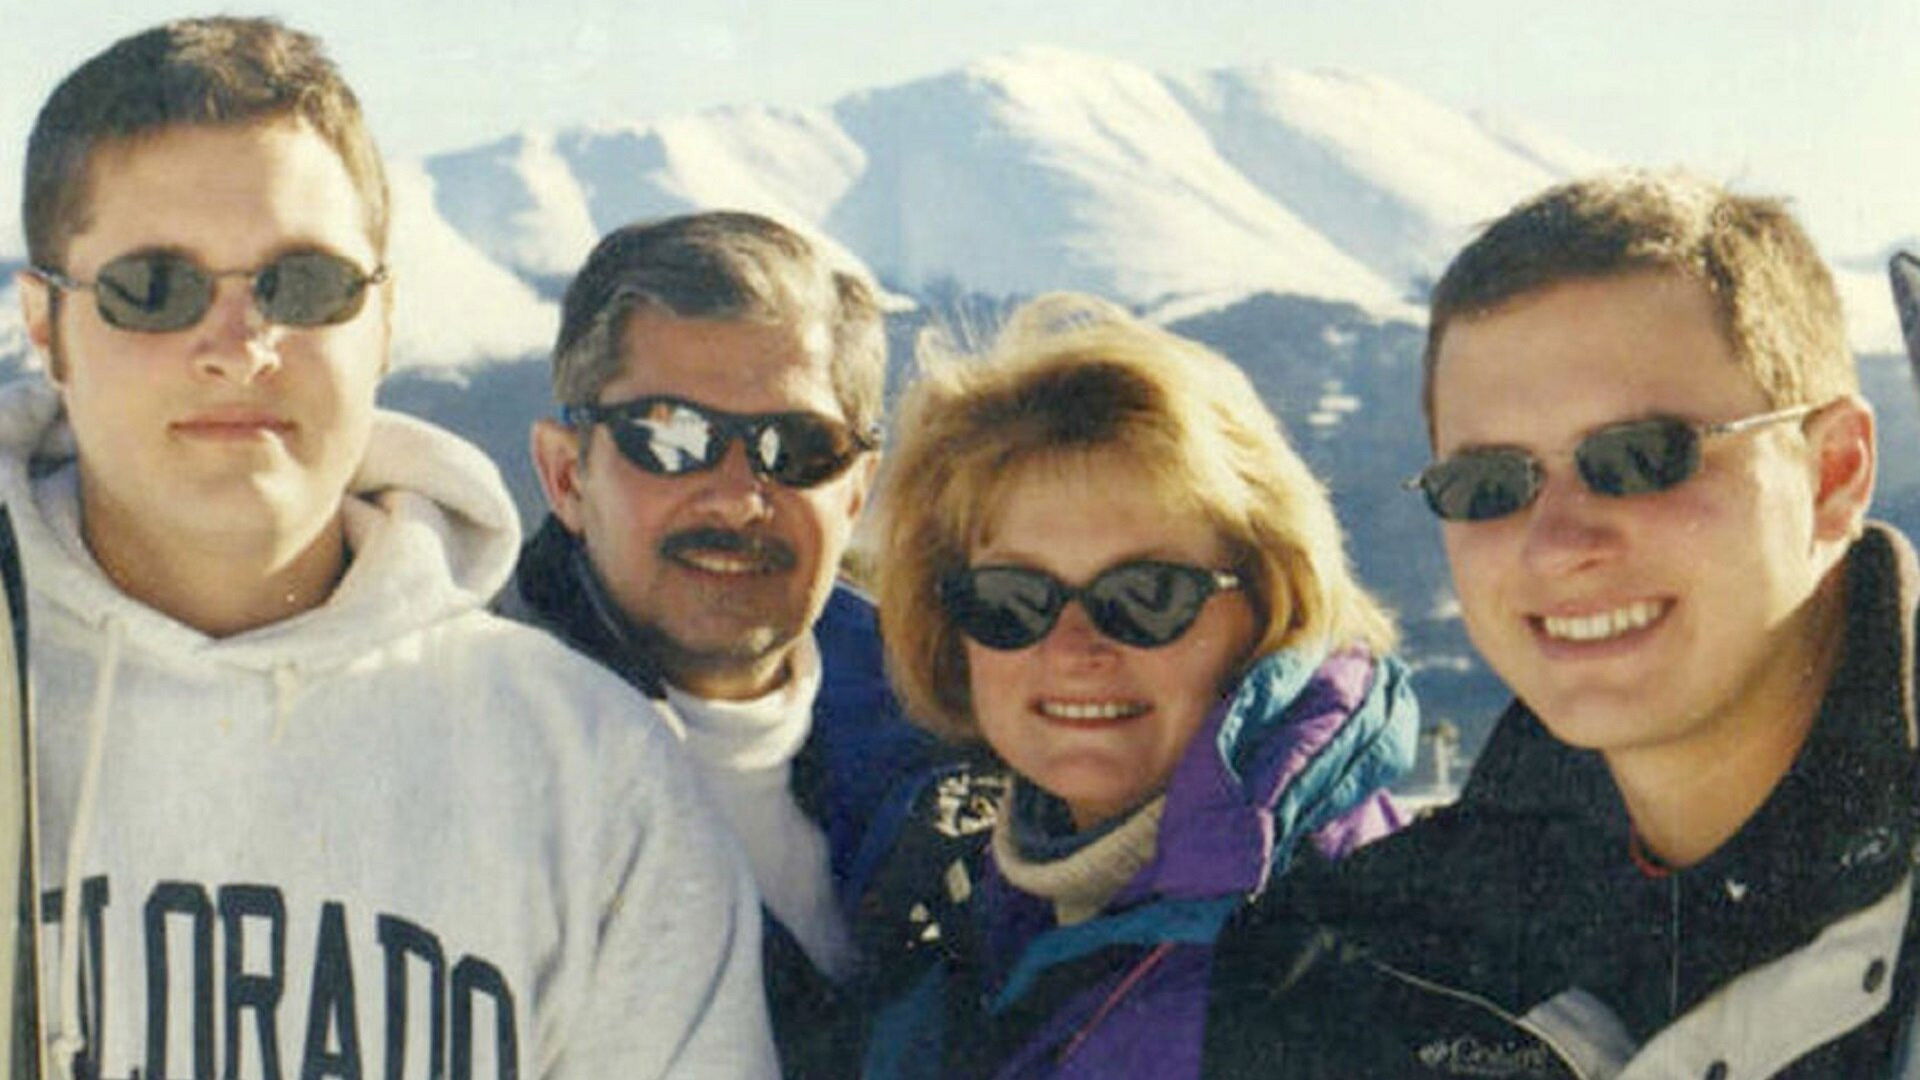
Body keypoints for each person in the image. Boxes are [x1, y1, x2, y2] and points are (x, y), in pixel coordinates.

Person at [11, 18, 773, 1078]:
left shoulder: (586, 770)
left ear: (383, 321)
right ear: (43, 325)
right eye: (154, 288)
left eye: (303, 285)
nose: (239, 349)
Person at [1204, 171, 1906, 1078]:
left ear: (1834, 474)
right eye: (1489, 484)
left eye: (1642, 458)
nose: (1558, 543)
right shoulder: (1355, 965)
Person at [860, 293, 1418, 1077]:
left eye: (1147, 596)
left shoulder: (1318, 955)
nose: (1073, 648)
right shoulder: (993, 907)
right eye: (1013, 600)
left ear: (1271, 606)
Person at [499, 211, 998, 1075]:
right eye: (671, 437)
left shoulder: (974, 740)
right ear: (566, 475)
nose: (736, 497)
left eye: (796, 448)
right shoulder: (460, 752)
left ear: (857, 492)